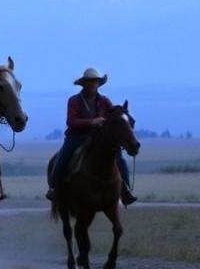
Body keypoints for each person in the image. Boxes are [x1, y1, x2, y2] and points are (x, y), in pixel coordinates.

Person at [46, 67, 137, 206]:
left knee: (120, 160)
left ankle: (125, 191)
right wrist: (92, 122)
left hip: (98, 137)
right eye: (90, 82)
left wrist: (121, 112)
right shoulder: (74, 100)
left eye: (96, 82)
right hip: (76, 137)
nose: (94, 84)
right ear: (84, 84)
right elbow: (71, 121)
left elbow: (113, 114)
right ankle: (54, 188)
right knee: (62, 158)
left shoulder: (105, 101)